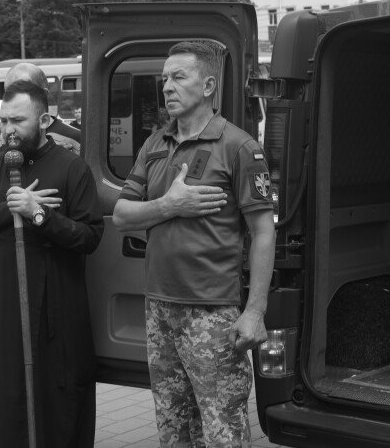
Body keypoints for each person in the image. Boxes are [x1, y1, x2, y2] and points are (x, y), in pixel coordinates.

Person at [112, 41, 276, 447]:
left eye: (178, 77)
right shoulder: (154, 145)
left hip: (213, 312)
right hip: (159, 308)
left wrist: (255, 311)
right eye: (164, 79)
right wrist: (169, 205)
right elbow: (121, 216)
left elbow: (263, 232)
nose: (166, 87)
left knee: (222, 431)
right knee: (173, 429)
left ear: (207, 86)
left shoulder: (239, 147)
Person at [0, 76, 104, 447]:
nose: (8, 129)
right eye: (4, 120)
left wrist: (39, 214)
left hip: (57, 299)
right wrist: (9, 207)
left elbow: (90, 237)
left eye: (17, 120)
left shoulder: (72, 167)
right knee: (3, 386)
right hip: (2, 298)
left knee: (55, 391)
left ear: (44, 120)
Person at [0, 62, 81, 155]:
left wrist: (62, 159)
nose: (14, 99)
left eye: (23, 92)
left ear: (44, 95)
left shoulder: (74, 138)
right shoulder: (2, 137)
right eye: (9, 94)